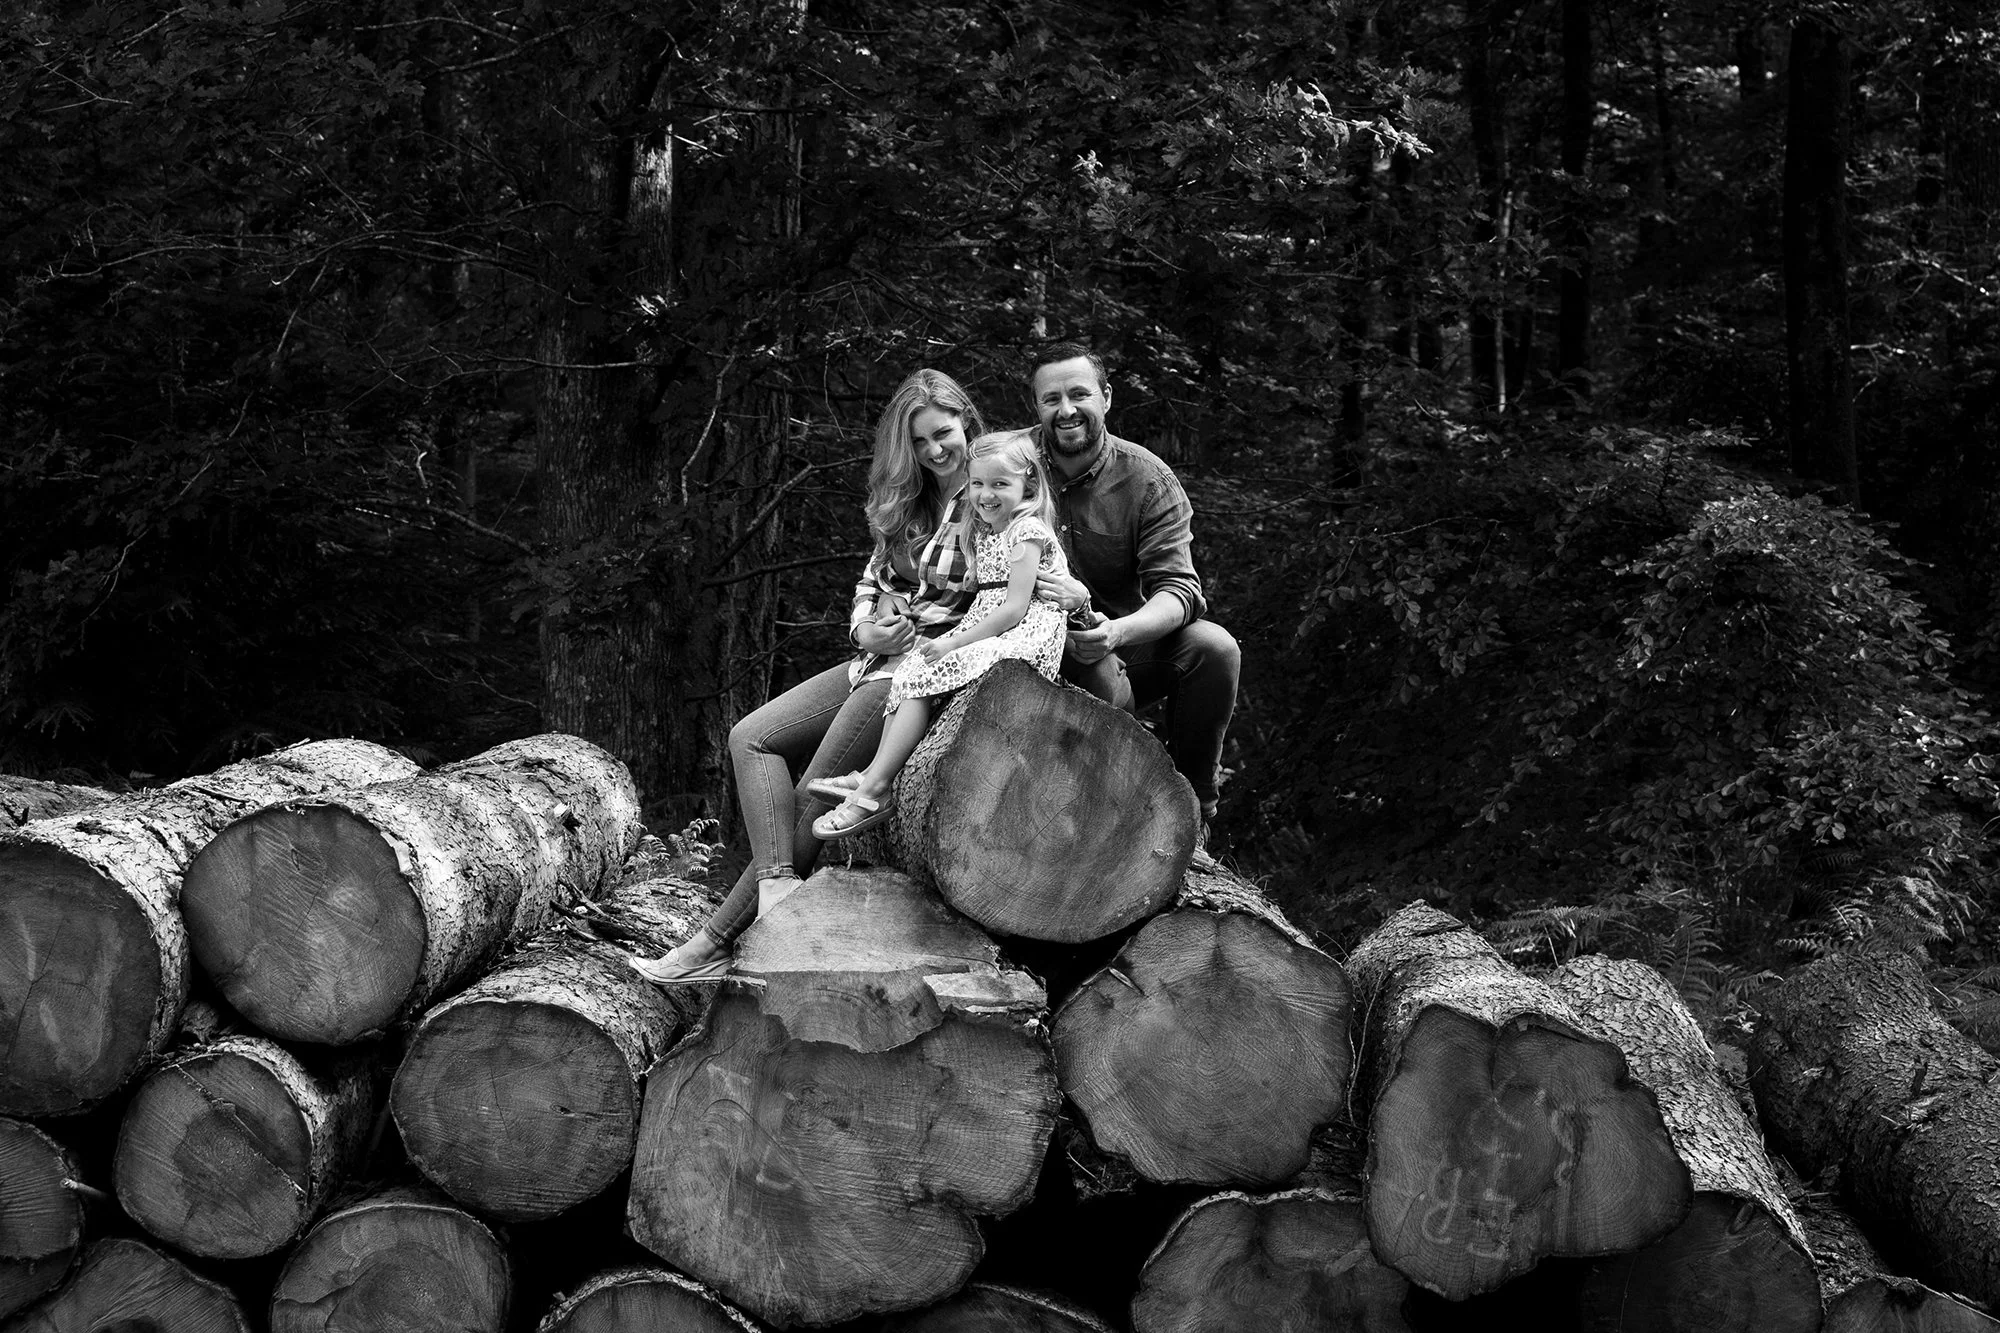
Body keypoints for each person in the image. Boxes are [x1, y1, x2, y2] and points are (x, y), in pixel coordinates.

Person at [630, 369, 985, 983]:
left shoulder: (990, 491)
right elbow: (873, 579)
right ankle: (775, 888)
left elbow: (994, 582)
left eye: (944, 434)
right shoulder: (910, 498)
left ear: (967, 424)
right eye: (920, 442)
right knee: (750, 736)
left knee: (810, 794)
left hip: (918, 675)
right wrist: (866, 628)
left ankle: (710, 945)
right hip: (875, 659)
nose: (934, 451)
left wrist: (917, 618)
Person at [811, 429, 1071, 839]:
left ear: (1029, 484)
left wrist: (954, 642)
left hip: (1025, 637)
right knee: (910, 670)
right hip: (996, 627)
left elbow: (1014, 608)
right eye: (978, 483)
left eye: (1000, 484)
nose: (986, 494)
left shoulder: (1026, 532)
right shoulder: (990, 530)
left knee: (929, 671)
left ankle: (875, 790)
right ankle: (873, 773)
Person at [1024, 342, 1240, 828]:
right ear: (1036, 406)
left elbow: (1179, 592)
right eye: (1051, 399)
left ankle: (1193, 812)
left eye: (1079, 394)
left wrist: (1116, 632)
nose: (1066, 410)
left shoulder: (1148, 480)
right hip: (1016, 647)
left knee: (1214, 649)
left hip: (1113, 643)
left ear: (1106, 397)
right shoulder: (1005, 464)